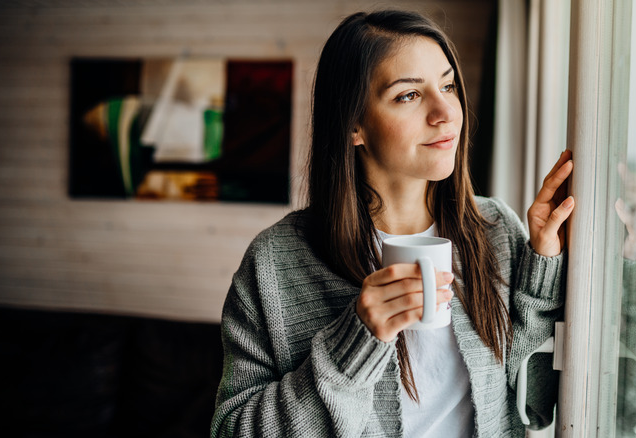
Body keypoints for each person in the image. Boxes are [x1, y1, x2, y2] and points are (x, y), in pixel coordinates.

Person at [211, 9, 574, 438]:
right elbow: (233, 431)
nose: (446, 113)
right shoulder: (275, 262)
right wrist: (356, 341)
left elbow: (536, 407)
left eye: (448, 86)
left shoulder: (496, 230)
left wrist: (544, 269)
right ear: (354, 125)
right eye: (408, 95)